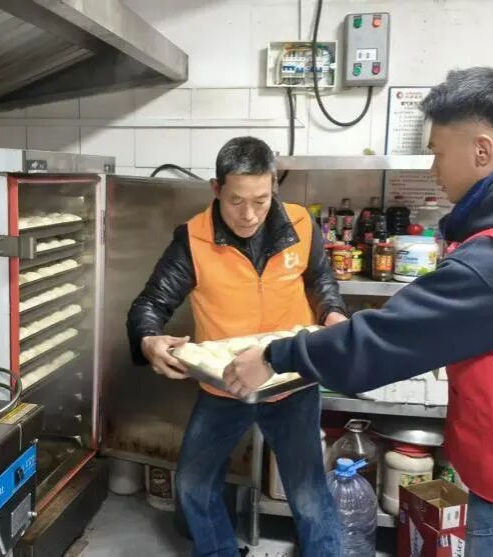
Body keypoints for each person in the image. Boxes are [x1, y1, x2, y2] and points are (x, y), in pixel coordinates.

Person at [225, 67, 493, 557]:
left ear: (482, 150)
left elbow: (379, 343)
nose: (432, 168)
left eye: (438, 152)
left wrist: (274, 356)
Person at [127, 136, 347, 557]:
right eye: (236, 201)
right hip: (224, 383)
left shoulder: (301, 225)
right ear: (216, 189)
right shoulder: (193, 239)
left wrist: (333, 314)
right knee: (193, 485)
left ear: (273, 188)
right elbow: (151, 304)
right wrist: (149, 339)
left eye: (261, 201)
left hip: (289, 378)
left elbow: (321, 281)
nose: (249, 215)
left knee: (307, 491)